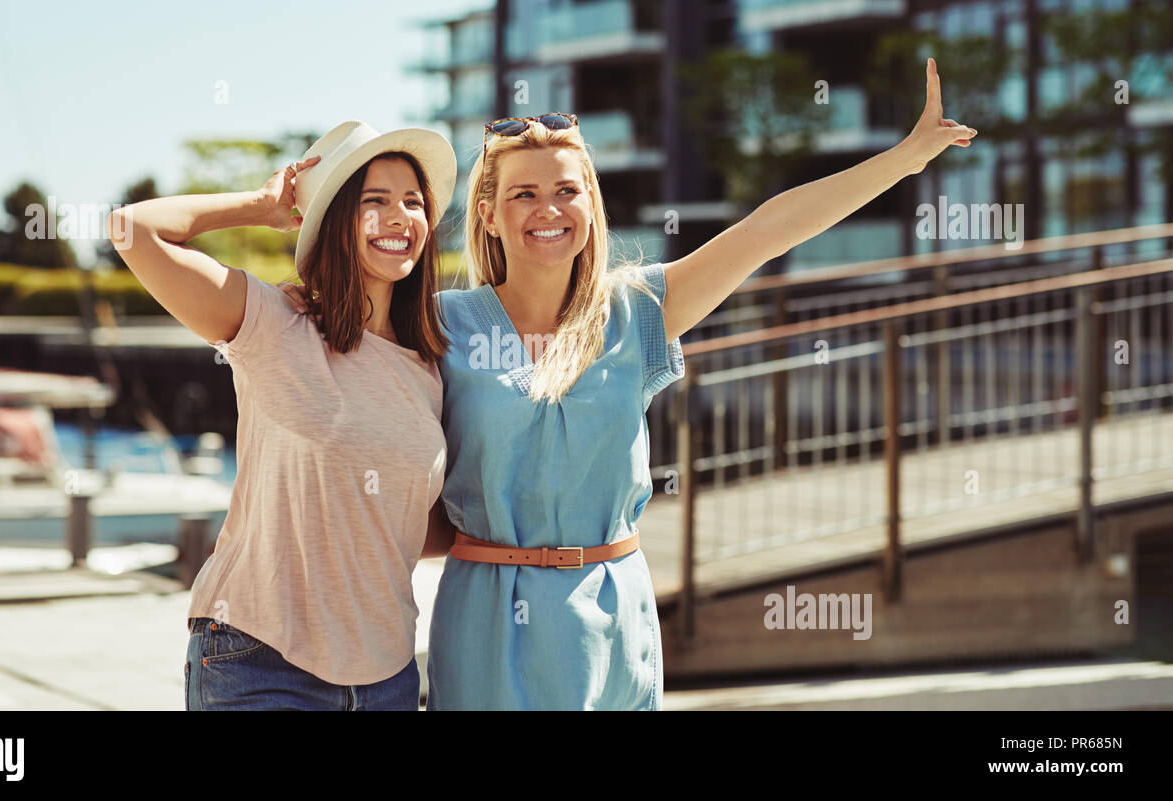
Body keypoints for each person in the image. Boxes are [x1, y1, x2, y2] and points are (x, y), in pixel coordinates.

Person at [284, 60, 974, 710]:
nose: (546, 209)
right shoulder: (438, 324)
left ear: (589, 205)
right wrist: (281, 210)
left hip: (613, 614)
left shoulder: (638, 311)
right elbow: (334, 319)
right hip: (486, 617)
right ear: (488, 214)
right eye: (523, 193)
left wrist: (908, 157)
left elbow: (768, 230)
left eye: (565, 190)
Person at [109, 120, 458, 710]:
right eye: (374, 201)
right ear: (335, 222)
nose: (400, 217)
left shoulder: (429, 366)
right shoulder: (276, 323)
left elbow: (410, 525)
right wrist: (262, 205)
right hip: (262, 663)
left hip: (388, 677)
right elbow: (132, 228)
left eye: (413, 202)